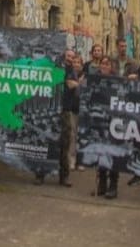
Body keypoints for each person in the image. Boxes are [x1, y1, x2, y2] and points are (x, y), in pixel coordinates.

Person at [94, 57, 121, 199]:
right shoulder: (96, 79)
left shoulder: (117, 81)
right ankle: (102, 184)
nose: (104, 66)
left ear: (112, 66)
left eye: (107, 64)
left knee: (112, 154)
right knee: (101, 153)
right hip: (99, 120)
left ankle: (113, 185)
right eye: (102, 63)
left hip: (113, 121)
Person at [54, 52, 82, 187]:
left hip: (65, 110)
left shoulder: (71, 71)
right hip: (52, 109)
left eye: (72, 56)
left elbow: (71, 84)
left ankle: (63, 177)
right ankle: (40, 173)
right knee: (46, 142)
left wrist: (73, 83)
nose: (70, 58)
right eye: (68, 56)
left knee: (65, 144)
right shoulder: (56, 66)